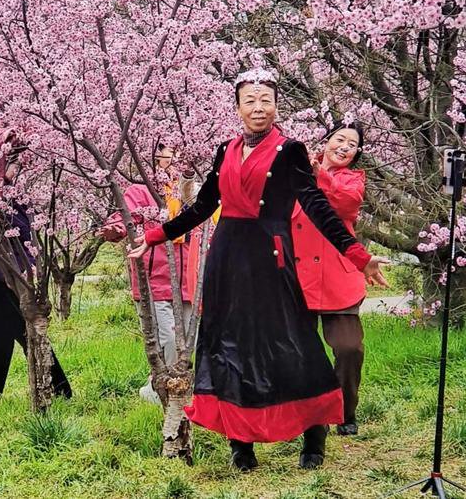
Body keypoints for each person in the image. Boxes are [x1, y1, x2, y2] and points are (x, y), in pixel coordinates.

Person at [128, 70, 386, 471]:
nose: (258, 107)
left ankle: (314, 436)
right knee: (232, 349)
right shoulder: (226, 150)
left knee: (294, 345)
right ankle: (241, 443)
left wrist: (359, 257)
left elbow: (318, 207)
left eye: (266, 99)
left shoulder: (290, 150)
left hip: (272, 260)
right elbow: (202, 206)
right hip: (228, 261)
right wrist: (156, 235)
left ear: (276, 106)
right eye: (250, 100)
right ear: (238, 107)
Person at [291, 123, 388, 436]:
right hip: (297, 276)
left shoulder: (352, 179)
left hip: (338, 278)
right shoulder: (297, 172)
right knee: (300, 351)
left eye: (352, 144)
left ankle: (345, 411)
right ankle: (305, 413)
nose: (345, 147)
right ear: (326, 142)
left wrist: (320, 174)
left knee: (349, 348)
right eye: (340, 139)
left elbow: (346, 202)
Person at [0, 128, 73, 399]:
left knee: (1, 342)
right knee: (29, 334)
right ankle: (60, 392)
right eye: (14, 163)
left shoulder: (4, 192)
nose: (18, 169)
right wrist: (14, 277)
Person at [98, 143, 201, 405]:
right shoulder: (142, 189)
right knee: (168, 338)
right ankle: (161, 392)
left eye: (178, 151)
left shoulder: (192, 191)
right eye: (167, 151)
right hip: (155, 279)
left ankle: (167, 390)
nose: (173, 157)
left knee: (187, 343)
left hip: (188, 280)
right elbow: (126, 216)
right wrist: (115, 229)